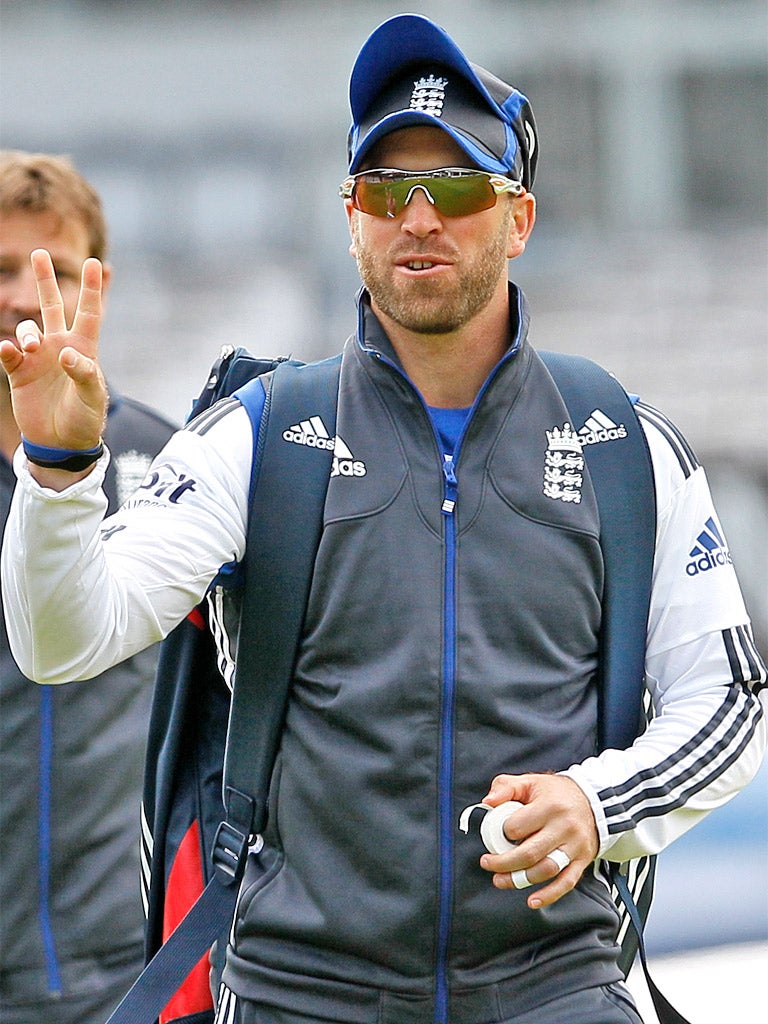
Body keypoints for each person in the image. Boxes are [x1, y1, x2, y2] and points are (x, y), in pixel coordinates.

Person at [1, 16, 766, 1024]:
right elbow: (67, 639)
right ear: (351, 217)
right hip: (297, 991)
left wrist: (597, 805)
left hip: (555, 986)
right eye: (384, 191)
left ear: (520, 217)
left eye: (454, 188)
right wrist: (57, 470)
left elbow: (729, 701)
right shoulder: (256, 434)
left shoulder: (626, 443)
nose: (418, 219)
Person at [0, 151, 177, 1024]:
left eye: (54, 270)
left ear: (93, 282)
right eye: (1, 268)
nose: (25, 296)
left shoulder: (168, 463)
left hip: (128, 968)